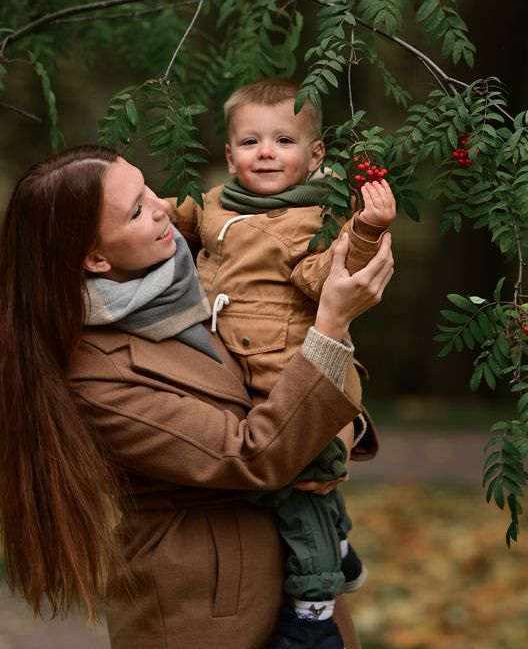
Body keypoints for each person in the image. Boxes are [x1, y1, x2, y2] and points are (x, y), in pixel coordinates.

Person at [0, 144, 394, 649]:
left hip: (297, 564)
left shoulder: (200, 270)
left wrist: (339, 432)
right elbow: (250, 455)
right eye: (136, 210)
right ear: (95, 257)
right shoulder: (95, 377)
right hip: (202, 607)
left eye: (147, 189)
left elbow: (276, 365)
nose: (162, 206)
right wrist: (332, 325)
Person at [165, 79, 396, 648]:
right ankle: (340, 550)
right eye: (250, 140)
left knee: (293, 494)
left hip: (290, 381)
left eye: (283, 140)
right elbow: (177, 219)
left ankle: (311, 612)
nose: (265, 152)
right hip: (236, 374)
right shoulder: (217, 199)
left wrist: (366, 230)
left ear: (315, 155)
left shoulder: (312, 219)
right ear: (229, 154)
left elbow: (329, 279)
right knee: (285, 486)